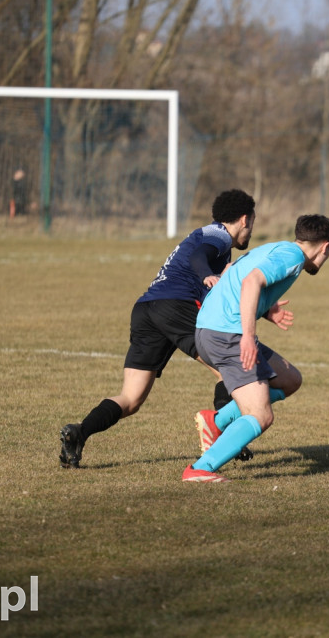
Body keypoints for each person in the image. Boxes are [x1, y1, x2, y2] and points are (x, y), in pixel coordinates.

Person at [59, 189, 257, 468]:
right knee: (227, 368)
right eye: (253, 223)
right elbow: (199, 257)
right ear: (245, 219)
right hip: (175, 306)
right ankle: (226, 439)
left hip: (146, 309)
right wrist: (206, 275)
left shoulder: (210, 241)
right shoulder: (219, 235)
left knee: (131, 399)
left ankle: (79, 432)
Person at [183, 213, 329, 483]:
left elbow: (231, 271)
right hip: (227, 334)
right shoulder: (293, 257)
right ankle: (200, 468)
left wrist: (266, 311)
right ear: (325, 247)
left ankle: (215, 421)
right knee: (261, 415)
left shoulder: (277, 248)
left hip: (211, 329)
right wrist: (247, 335)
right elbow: (251, 281)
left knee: (290, 379)